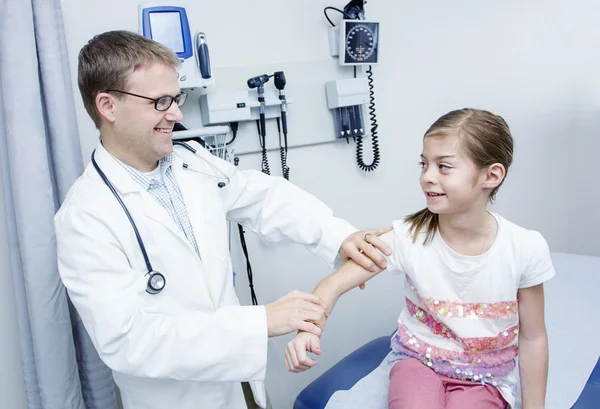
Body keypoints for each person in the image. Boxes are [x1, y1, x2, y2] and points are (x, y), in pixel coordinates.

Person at [54, 30, 391, 409]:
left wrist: (340, 237)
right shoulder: (85, 218)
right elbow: (129, 340)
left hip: (239, 383)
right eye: (160, 101)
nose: (177, 114)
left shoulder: (191, 163)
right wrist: (261, 322)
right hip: (179, 399)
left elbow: (265, 197)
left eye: (176, 98)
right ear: (108, 106)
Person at [286, 108, 554, 409]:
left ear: (491, 175)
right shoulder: (408, 237)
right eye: (424, 164)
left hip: (484, 377)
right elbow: (332, 285)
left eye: (444, 167)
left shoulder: (524, 249)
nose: (427, 176)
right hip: (417, 364)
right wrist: (307, 330)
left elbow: (533, 338)